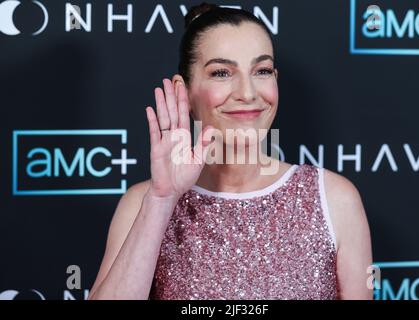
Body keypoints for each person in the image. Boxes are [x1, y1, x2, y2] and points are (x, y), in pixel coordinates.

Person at [88, 3, 373, 300]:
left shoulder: (335, 199)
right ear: (183, 91)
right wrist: (162, 200)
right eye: (222, 73)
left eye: (261, 71)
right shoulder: (144, 203)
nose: (248, 93)